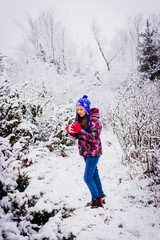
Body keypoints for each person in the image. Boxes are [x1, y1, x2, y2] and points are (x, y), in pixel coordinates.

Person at [66, 95, 105, 208]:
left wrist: (80, 131)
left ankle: (96, 200)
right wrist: (71, 133)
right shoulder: (79, 120)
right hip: (85, 153)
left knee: (87, 178)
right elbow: (78, 137)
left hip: (94, 152)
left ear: (87, 109)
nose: (79, 111)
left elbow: (93, 137)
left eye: (81, 109)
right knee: (94, 175)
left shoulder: (95, 121)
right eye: (77, 109)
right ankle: (101, 196)